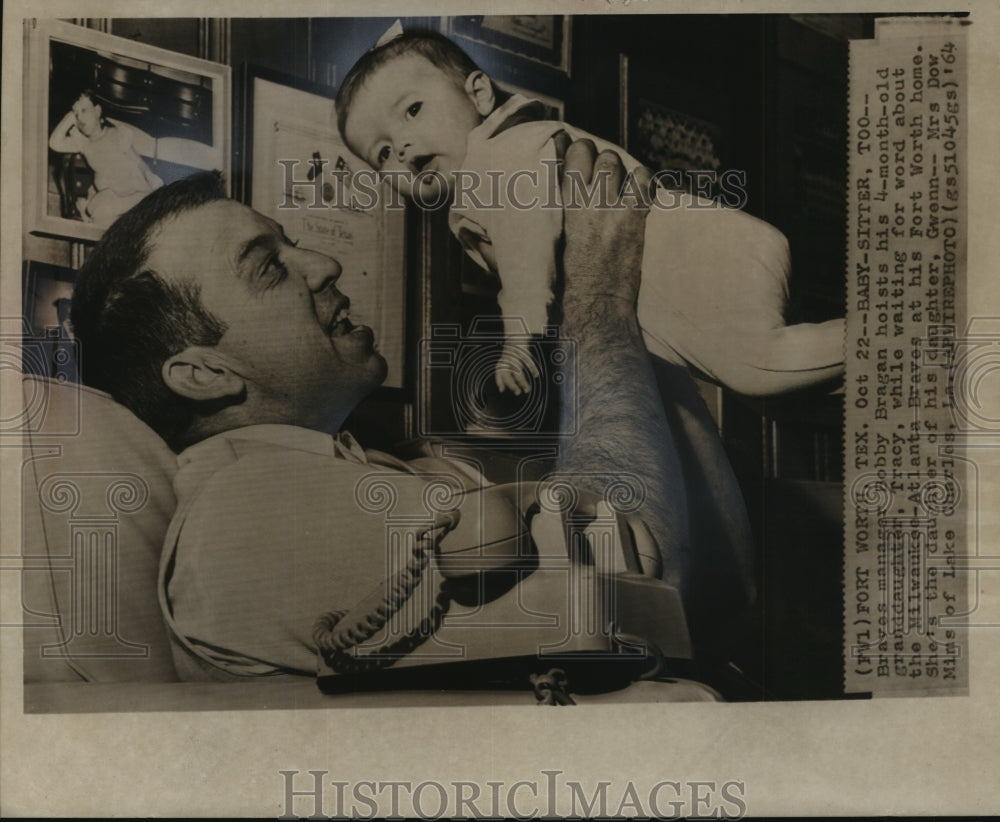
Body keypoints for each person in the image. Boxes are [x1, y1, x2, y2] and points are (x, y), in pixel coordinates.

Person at [69, 140, 745, 680]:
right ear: (203, 374)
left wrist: (636, 310)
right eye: (269, 267)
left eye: (292, 242)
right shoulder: (246, 507)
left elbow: (720, 591)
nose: (324, 263)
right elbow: (648, 592)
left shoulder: (363, 472)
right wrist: (598, 293)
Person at [336, 29, 845, 396]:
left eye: (413, 110)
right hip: (685, 287)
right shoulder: (481, 182)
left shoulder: (503, 158)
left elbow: (527, 256)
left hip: (710, 257)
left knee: (757, 366)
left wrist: (518, 340)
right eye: (382, 153)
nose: (402, 147)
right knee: (791, 379)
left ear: (480, 94)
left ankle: (886, 333)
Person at [49, 90, 164, 226]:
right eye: (76, 114)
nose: (80, 118)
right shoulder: (83, 143)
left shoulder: (116, 134)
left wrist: (151, 178)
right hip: (109, 198)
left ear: (97, 111)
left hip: (134, 193)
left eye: (84, 110)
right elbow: (54, 143)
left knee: (103, 212)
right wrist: (70, 117)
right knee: (99, 211)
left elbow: (138, 162)